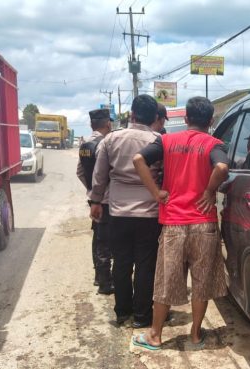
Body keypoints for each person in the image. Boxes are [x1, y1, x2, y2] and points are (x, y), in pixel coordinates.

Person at [131, 96, 229, 350]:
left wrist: (155, 193)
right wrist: (209, 192)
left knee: (165, 282)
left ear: (185, 119)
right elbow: (221, 167)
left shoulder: (166, 140)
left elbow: (138, 160)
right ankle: (196, 336)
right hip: (204, 224)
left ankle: (155, 336)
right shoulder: (214, 143)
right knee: (201, 282)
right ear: (211, 121)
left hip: (174, 223)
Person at [89, 94, 162, 328]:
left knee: (120, 262)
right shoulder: (159, 140)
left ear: (131, 114)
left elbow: (99, 176)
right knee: (145, 264)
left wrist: (95, 202)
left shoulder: (111, 139)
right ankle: (142, 316)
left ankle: (122, 312)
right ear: (154, 118)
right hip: (150, 212)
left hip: (118, 211)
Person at [76, 108, 114, 294]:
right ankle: (106, 282)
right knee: (105, 241)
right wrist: (100, 193)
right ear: (108, 123)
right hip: (105, 200)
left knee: (98, 237)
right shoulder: (104, 144)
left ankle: (99, 277)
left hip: (94, 198)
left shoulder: (85, 144)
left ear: (92, 124)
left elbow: (80, 173)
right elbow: (103, 173)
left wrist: (91, 191)